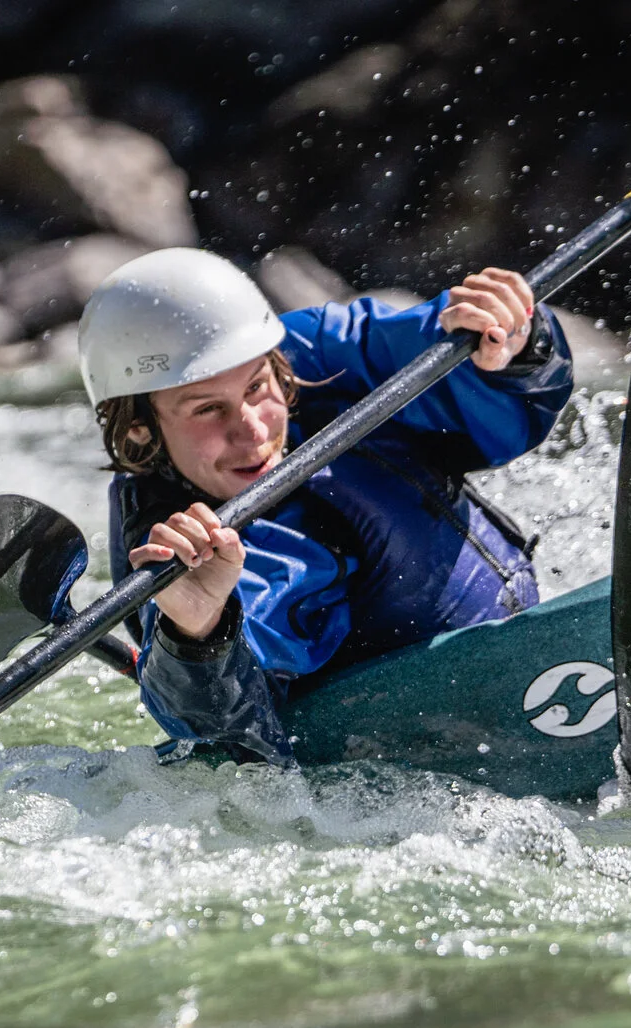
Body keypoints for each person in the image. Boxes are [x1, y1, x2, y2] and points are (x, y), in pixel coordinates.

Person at [79, 247, 572, 762]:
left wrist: (509, 341)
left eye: (256, 387)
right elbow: (224, 735)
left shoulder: (298, 348)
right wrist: (198, 634)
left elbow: (425, 344)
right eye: (207, 409)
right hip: (417, 744)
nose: (252, 427)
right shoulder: (181, 550)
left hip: (516, 643)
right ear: (140, 431)